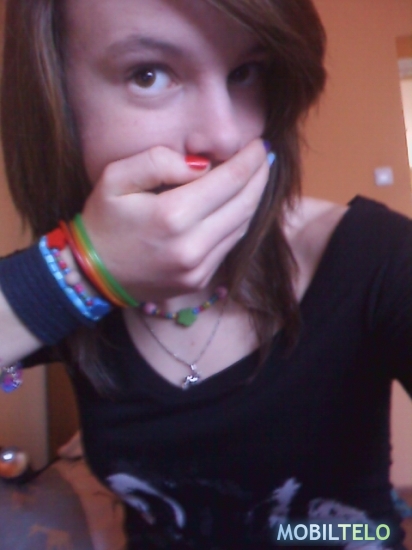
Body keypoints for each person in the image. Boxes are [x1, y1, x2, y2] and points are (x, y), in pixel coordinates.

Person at [0, 0, 411, 548]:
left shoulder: (377, 256)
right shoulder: (66, 288)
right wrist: (81, 274)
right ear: (55, 101)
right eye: (148, 74)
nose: (226, 135)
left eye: (246, 72)